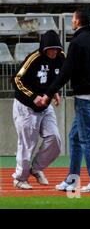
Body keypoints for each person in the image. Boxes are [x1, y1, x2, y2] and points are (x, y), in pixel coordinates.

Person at [36, 9, 90, 193]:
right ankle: (72, 180)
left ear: (77, 21)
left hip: (84, 95)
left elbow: (66, 71)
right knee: (75, 137)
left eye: (73, 19)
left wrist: (49, 93)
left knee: (88, 138)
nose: (72, 21)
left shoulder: (76, 42)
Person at [11, 30, 65, 189]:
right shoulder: (33, 58)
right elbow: (16, 79)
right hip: (26, 106)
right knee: (28, 143)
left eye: (56, 48)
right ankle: (20, 178)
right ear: (44, 48)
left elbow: (59, 77)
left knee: (55, 139)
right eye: (51, 49)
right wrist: (33, 97)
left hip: (45, 104)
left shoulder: (61, 57)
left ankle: (36, 168)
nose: (54, 52)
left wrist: (55, 92)